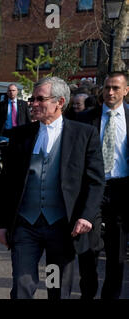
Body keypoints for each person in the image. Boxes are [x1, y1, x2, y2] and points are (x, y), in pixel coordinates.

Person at [0, 76, 105, 299]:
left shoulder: (83, 135)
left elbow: (95, 180)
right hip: (27, 226)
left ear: (60, 102)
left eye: (40, 99)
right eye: (32, 99)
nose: (33, 103)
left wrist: (86, 216)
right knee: (23, 285)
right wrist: (1, 224)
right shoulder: (21, 136)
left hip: (61, 228)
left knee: (55, 287)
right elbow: (6, 184)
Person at [75, 71, 129, 299]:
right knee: (88, 249)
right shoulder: (86, 119)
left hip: (122, 191)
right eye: (107, 87)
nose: (110, 92)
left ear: (126, 90)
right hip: (93, 191)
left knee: (117, 253)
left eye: (116, 88)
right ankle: (88, 292)